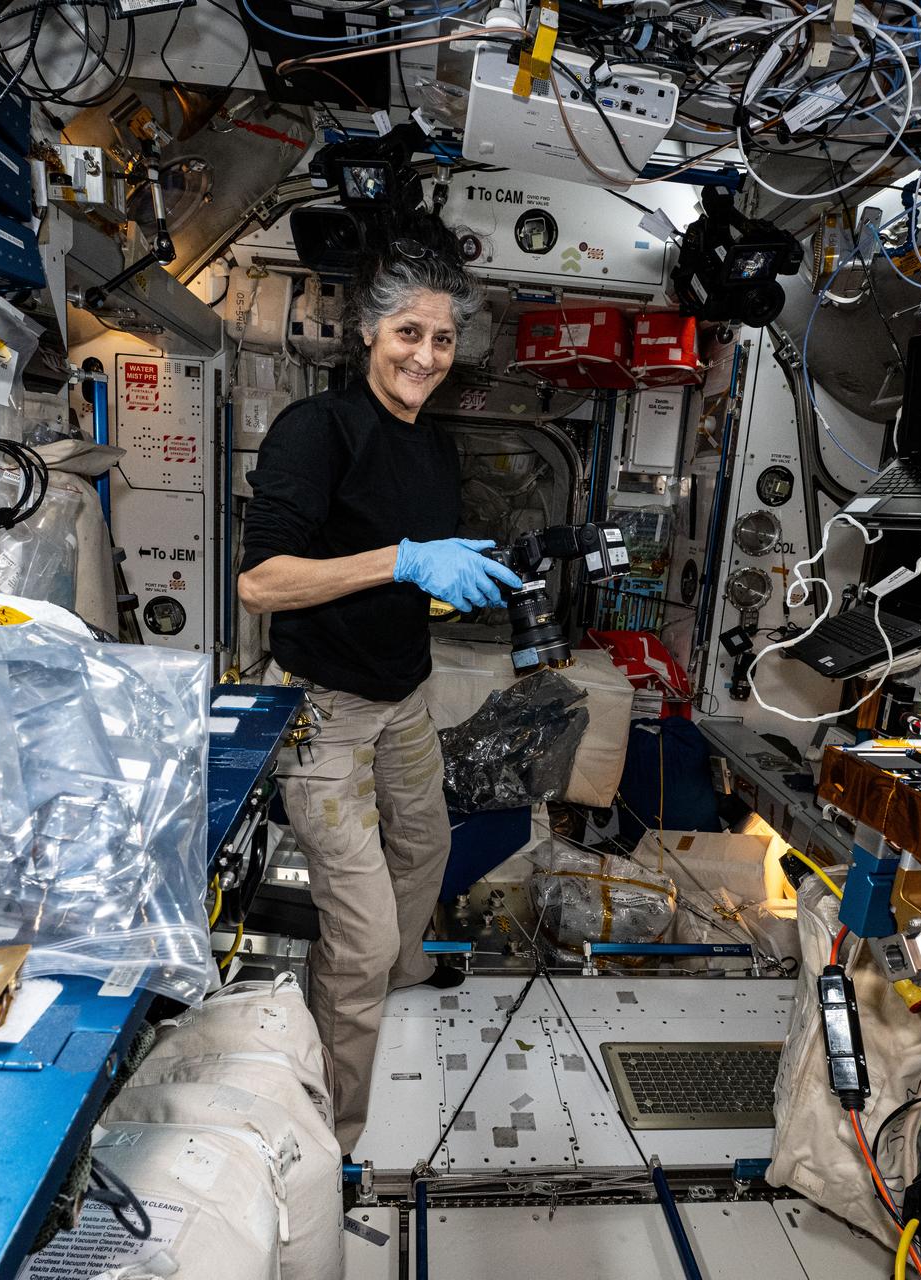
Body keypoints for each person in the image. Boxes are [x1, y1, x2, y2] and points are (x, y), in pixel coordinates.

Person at [237, 219, 522, 1152]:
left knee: (427, 852)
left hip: (404, 699)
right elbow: (262, 581)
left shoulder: (435, 450)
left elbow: (412, 574)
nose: (426, 357)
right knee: (360, 943)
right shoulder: (314, 432)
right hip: (324, 710)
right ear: (368, 331)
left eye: (442, 340)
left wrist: (443, 585)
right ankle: (328, 1142)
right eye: (409, 333)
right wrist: (402, 559)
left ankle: (359, 1001)